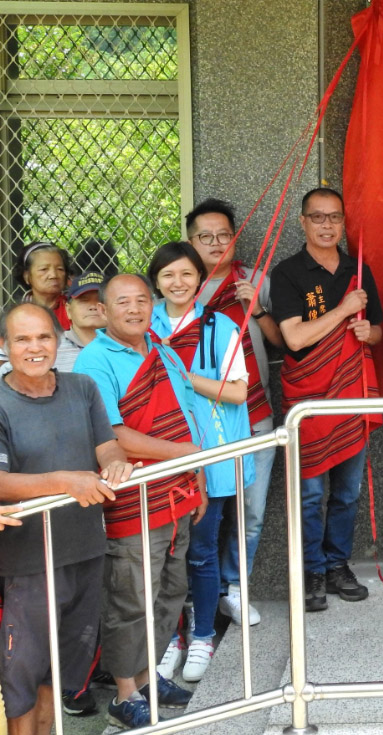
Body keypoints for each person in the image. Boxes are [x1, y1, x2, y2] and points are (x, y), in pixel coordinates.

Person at [73, 274, 205, 729]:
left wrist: (197, 476)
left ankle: (149, 679)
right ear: (104, 312)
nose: (134, 309)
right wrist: (186, 456)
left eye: (141, 300)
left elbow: (186, 417)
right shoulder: (95, 360)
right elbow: (112, 435)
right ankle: (125, 692)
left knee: (170, 590)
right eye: (122, 303)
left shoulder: (162, 348)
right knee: (131, 596)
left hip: (177, 492)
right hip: (133, 498)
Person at [0, 302, 134, 735]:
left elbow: (107, 444)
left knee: (58, 672)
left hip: (84, 550)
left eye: (43, 337)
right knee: (23, 674)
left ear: (58, 341)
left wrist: (115, 463)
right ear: (5, 347)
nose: (35, 348)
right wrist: (64, 482)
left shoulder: (83, 387)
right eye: (22, 339)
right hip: (26, 563)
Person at [270, 187, 383, 612]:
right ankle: (312, 570)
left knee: (348, 492)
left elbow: (379, 330)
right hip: (310, 397)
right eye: (317, 217)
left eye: (334, 217)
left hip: (350, 394)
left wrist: (367, 332)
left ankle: (338, 565)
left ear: (343, 223)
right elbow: (295, 337)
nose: (326, 225)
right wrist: (343, 310)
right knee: (312, 494)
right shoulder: (287, 274)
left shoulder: (358, 269)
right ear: (302, 222)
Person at [148, 242, 255, 682]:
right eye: (169, 275)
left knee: (201, 552)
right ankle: (168, 637)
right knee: (164, 555)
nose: (178, 282)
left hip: (210, 454)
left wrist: (185, 377)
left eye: (187, 275)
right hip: (157, 453)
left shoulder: (220, 325)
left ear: (200, 279)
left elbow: (237, 392)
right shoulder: (143, 322)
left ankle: (203, 635)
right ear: (156, 279)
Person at [187, 198, 281, 626]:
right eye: (205, 237)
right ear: (190, 242)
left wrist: (256, 309)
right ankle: (198, 594)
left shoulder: (254, 280)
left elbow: (280, 342)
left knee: (252, 509)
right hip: (200, 419)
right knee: (204, 509)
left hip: (254, 409)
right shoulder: (181, 287)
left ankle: (236, 587)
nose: (216, 244)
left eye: (224, 236)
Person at [54, 272, 106, 372]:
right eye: (84, 300)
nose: (93, 307)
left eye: (100, 300)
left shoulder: (128, 348)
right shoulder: (53, 348)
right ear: (68, 310)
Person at [15, 242, 72, 330]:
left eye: (60, 269)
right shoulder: (16, 314)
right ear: (26, 276)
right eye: (44, 269)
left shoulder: (74, 308)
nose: (53, 275)